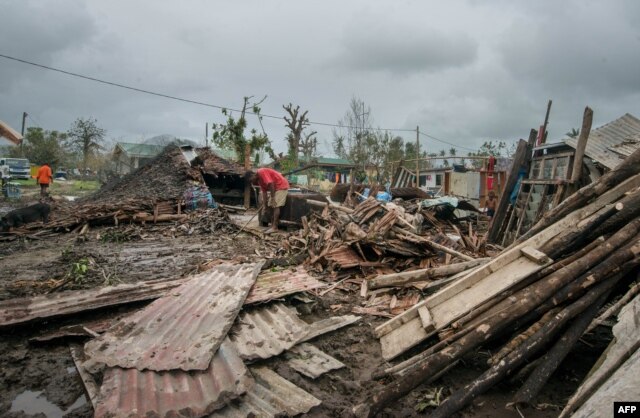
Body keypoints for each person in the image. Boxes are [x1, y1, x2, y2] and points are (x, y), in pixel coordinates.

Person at [245, 168, 289, 234]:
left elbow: (271, 184)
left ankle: (275, 227)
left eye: (251, 180)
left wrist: (273, 198)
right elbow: (264, 192)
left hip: (281, 186)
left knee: (275, 205)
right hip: (275, 188)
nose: (252, 182)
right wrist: (265, 206)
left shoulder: (261, 172)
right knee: (269, 206)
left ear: (253, 175)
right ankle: (272, 226)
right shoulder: (259, 180)